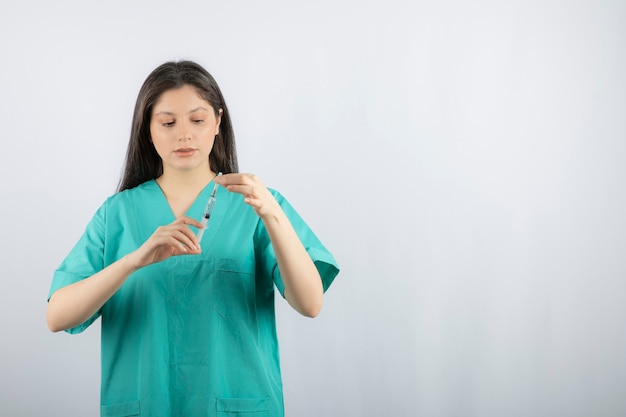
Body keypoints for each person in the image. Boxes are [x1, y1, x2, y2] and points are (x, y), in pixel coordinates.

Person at [46, 60, 339, 417]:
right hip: (147, 404)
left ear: (218, 122)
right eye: (168, 123)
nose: (184, 134)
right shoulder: (117, 214)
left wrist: (273, 215)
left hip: (239, 404)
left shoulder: (258, 205)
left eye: (197, 120)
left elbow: (310, 304)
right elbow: (57, 316)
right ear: (147, 131)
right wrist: (133, 261)